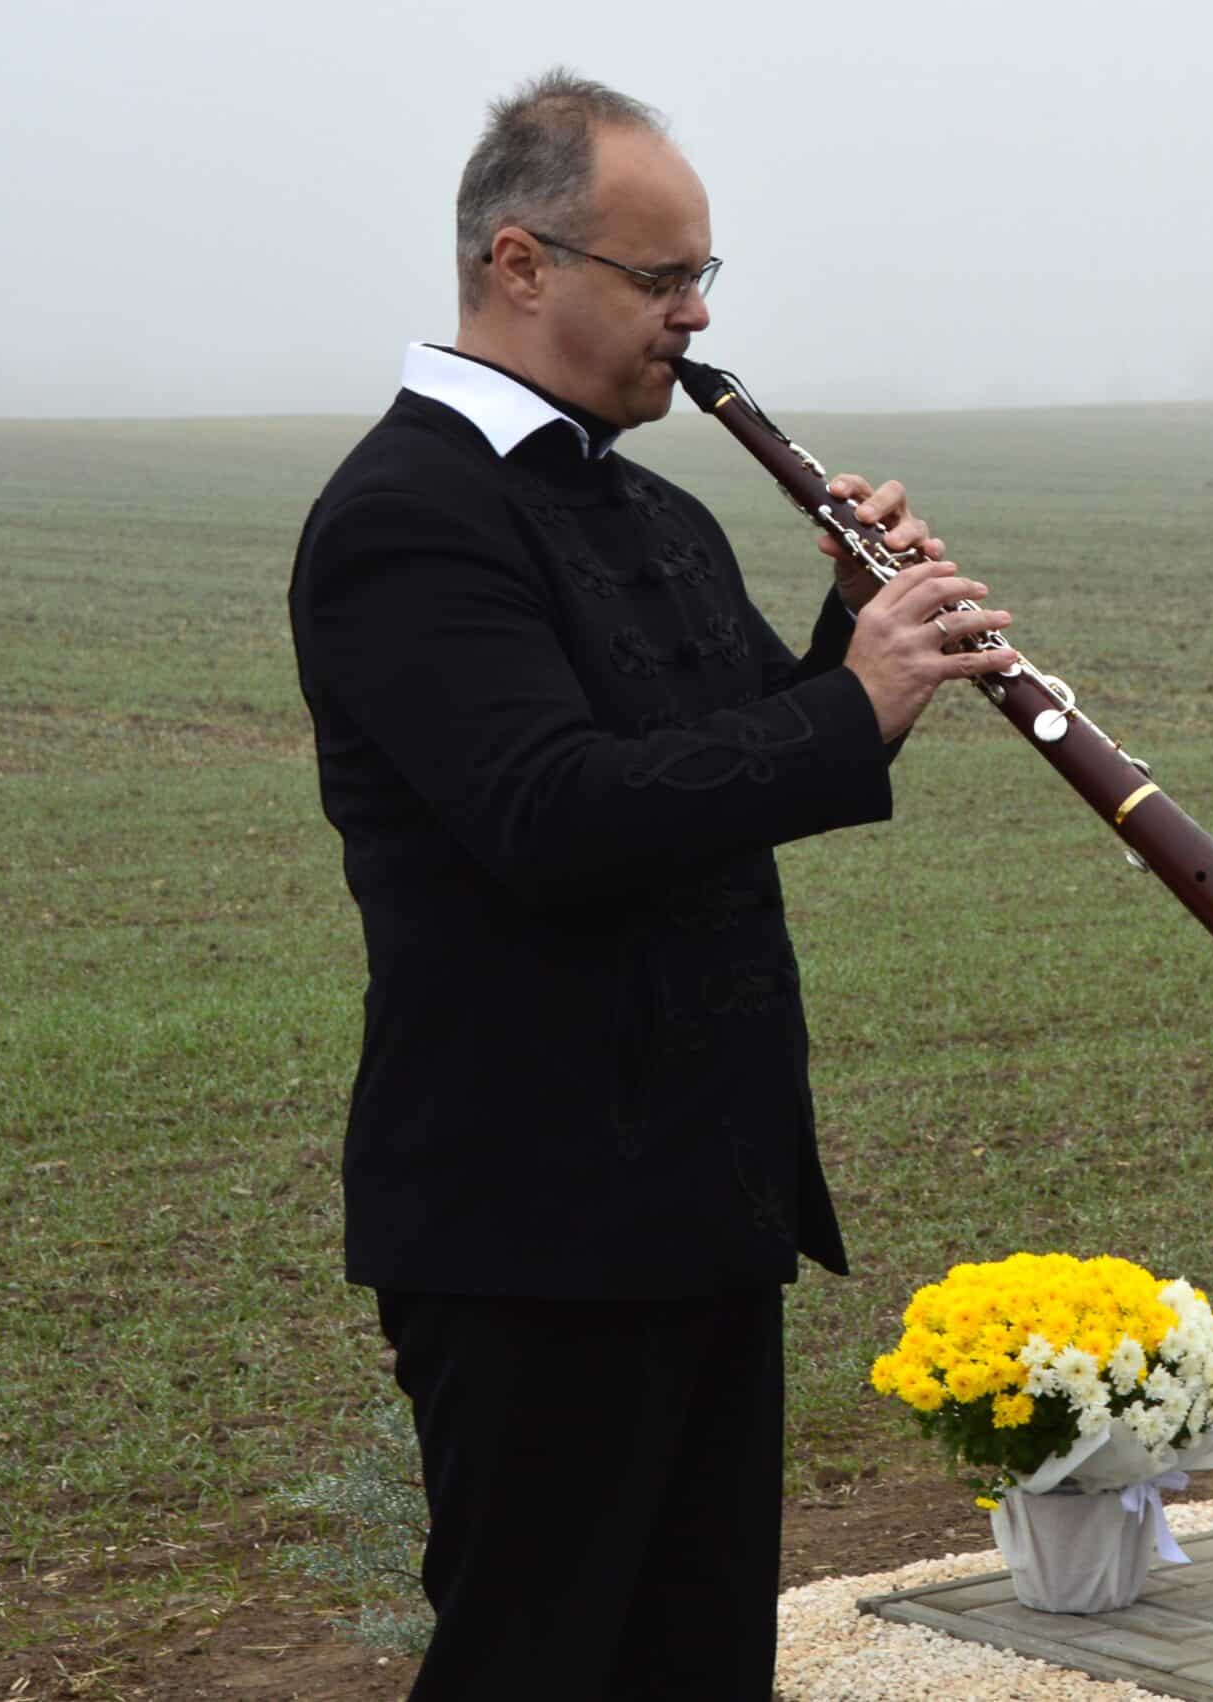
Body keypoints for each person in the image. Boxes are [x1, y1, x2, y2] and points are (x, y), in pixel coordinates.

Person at [286, 69, 1017, 1700]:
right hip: (531, 1221)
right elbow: (551, 814)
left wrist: (859, 636)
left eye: (705, 277)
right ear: (520, 263)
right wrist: (851, 703)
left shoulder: (655, 507)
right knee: (539, 1663)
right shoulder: (405, 517)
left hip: (704, 1197)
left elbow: (735, 761)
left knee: (696, 1663)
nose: (696, 316)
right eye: (661, 277)